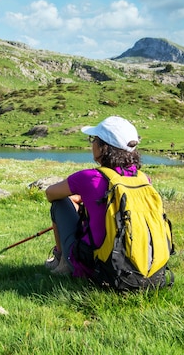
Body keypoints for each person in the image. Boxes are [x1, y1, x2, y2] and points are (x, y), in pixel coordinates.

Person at [44, 116, 142, 278]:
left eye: (94, 139)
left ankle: (62, 261)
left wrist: (75, 198)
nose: (92, 144)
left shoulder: (89, 178)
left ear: (104, 147)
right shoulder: (142, 178)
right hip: (137, 265)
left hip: (97, 267)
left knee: (59, 203)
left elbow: (50, 193)